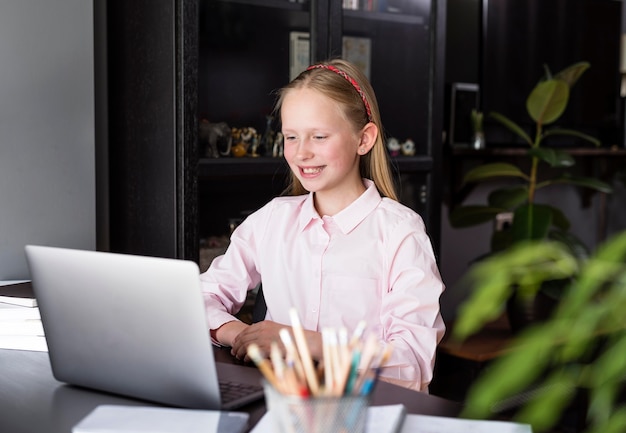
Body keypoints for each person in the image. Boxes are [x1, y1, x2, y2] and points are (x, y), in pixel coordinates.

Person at [201, 58, 445, 392]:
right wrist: (242, 336)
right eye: (291, 137)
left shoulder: (400, 232)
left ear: (364, 139)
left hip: (363, 412)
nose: (301, 153)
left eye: (318, 136)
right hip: (282, 404)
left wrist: (301, 342)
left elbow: (411, 362)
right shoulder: (272, 219)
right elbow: (199, 297)